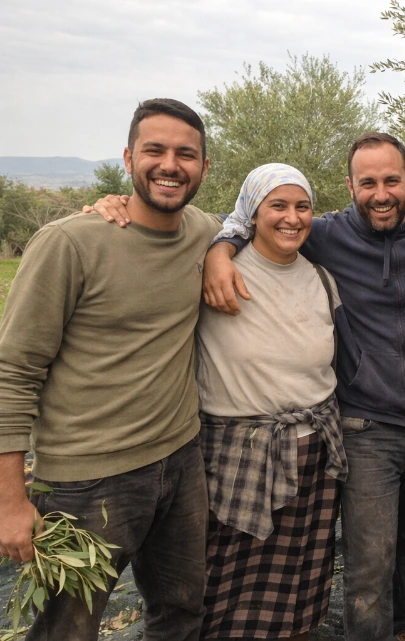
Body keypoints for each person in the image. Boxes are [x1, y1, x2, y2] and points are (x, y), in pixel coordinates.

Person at [91, 132, 405, 641]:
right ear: (350, 186)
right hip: (366, 425)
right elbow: (253, 216)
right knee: (369, 557)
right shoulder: (326, 234)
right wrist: (220, 248)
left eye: (392, 180)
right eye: (367, 182)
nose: (381, 192)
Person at [0, 98, 220, 639]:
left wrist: (222, 250)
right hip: (85, 481)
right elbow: (13, 372)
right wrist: (10, 500)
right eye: (155, 150)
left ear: (204, 168)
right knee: (66, 629)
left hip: (181, 461)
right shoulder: (70, 243)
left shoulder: (205, 232)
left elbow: (262, 222)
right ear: (128, 157)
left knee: (183, 610)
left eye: (185, 154)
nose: (170, 164)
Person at [195, 164, 347, 639]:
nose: (291, 217)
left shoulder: (321, 277)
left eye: (302, 206)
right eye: (277, 206)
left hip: (315, 450)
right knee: (227, 582)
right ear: (251, 213)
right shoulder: (213, 271)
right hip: (241, 453)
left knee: (303, 575)